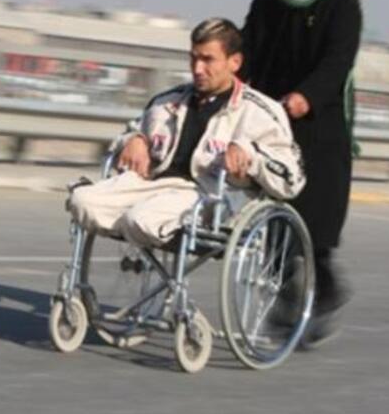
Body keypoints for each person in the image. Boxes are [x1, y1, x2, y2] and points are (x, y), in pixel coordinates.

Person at [69, 17, 305, 249]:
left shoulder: (261, 111)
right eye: (193, 58)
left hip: (207, 197)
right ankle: (139, 227)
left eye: (207, 60)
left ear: (234, 62)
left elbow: (292, 179)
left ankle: (142, 225)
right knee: (82, 201)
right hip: (152, 185)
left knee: (141, 219)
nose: (197, 69)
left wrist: (251, 155)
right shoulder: (167, 102)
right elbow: (128, 134)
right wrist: (134, 140)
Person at [241, 0, 363, 347]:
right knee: (273, 219)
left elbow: (338, 59)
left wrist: (305, 96)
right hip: (271, 123)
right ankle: (288, 305)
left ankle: (321, 296)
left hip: (319, 129)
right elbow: (248, 47)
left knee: (313, 231)